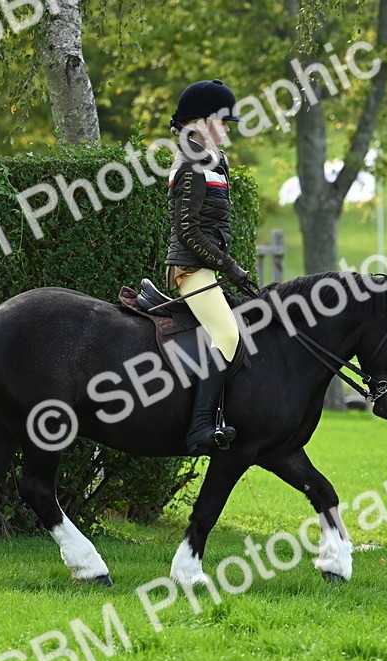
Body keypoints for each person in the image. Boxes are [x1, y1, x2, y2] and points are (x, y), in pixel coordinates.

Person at [165, 79, 255, 455]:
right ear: (203, 121)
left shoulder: (212, 159)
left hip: (205, 268)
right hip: (190, 269)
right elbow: (187, 231)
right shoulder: (191, 162)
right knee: (228, 335)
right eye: (223, 122)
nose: (228, 129)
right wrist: (230, 267)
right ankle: (199, 428)